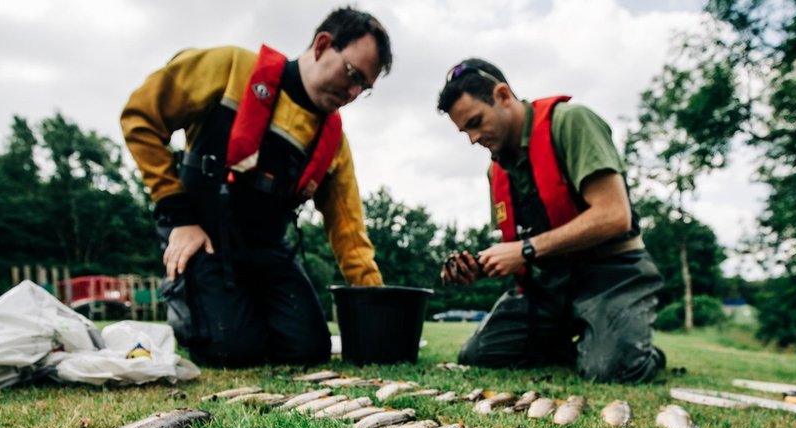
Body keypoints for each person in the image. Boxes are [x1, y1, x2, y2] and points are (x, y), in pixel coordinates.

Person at [120, 7, 391, 367]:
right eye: (353, 74)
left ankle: (239, 314)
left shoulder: (334, 142)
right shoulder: (230, 67)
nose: (354, 91)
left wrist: (375, 301)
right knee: (232, 350)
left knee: (309, 350)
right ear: (324, 44)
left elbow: (349, 229)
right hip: (203, 235)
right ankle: (192, 306)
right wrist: (179, 218)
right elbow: (141, 116)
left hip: (266, 248)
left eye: (365, 88)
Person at [437, 58, 665, 383]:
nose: (473, 138)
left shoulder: (571, 122)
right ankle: (583, 342)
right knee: (478, 356)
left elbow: (614, 215)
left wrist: (525, 250)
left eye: (476, 122)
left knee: (609, 370)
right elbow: (515, 251)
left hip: (612, 274)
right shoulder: (497, 170)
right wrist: (481, 266)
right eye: (465, 131)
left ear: (502, 96)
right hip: (549, 284)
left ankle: (631, 349)